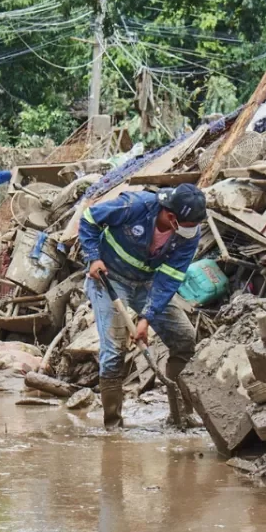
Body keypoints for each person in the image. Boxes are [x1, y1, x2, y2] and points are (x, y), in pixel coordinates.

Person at [78, 183, 206, 430]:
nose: (192, 230)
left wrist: (146, 317)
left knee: (184, 337)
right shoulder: (135, 205)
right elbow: (89, 218)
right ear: (171, 216)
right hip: (109, 278)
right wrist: (93, 257)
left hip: (147, 283)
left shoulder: (190, 234)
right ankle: (113, 427)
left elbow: (169, 278)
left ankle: (180, 417)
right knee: (114, 351)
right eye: (188, 225)